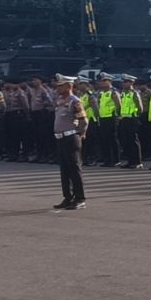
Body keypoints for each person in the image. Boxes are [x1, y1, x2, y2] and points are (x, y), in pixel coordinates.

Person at [51, 74, 89, 210]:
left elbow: (84, 120)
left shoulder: (75, 101)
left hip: (70, 138)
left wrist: (80, 134)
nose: (58, 88)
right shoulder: (60, 100)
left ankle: (80, 198)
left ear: (68, 86)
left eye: (60, 86)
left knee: (74, 169)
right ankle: (68, 197)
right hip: (60, 138)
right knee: (64, 170)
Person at [118, 74, 144, 169]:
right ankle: (130, 161)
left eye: (126, 82)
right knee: (127, 141)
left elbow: (140, 108)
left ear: (131, 83)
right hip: (124, 118)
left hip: (132, 119)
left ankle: (137, 162)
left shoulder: (134, 93)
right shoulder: (123, 93)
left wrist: (135, 116)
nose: (123, 84)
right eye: (123, 82)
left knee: (133, 141)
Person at [97, 73, 121, 167]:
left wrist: (118, 116)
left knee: (112, 139)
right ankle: (107, 160)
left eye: (104, 81)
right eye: (101, 81)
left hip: (111, 118)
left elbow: (118, 105)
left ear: (110, 81)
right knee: (105, 139)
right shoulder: (102, 93)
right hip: (103, 118)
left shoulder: (113, 92)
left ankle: (116, 160)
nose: (102, 83)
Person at [3, 79, 29, 161]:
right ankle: (13, 154)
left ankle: (24, 154)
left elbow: (25, 105)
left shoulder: (20, 92)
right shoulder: (8, 92)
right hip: (10, 115)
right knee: (12, 136)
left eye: (9, 84)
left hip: (18, 115)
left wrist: (26, 114)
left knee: (21, 135)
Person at [77, 78, 100, 166]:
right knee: (84, 140)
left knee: (91, 140)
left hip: (91, 119)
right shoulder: (80, 94)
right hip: (82, 120)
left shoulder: (90, 95)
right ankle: (85, 158)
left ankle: (93, 158)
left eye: (81, 84)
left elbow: (95, 108)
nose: (79, 86)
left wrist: (98, 119)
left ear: (85, 85)